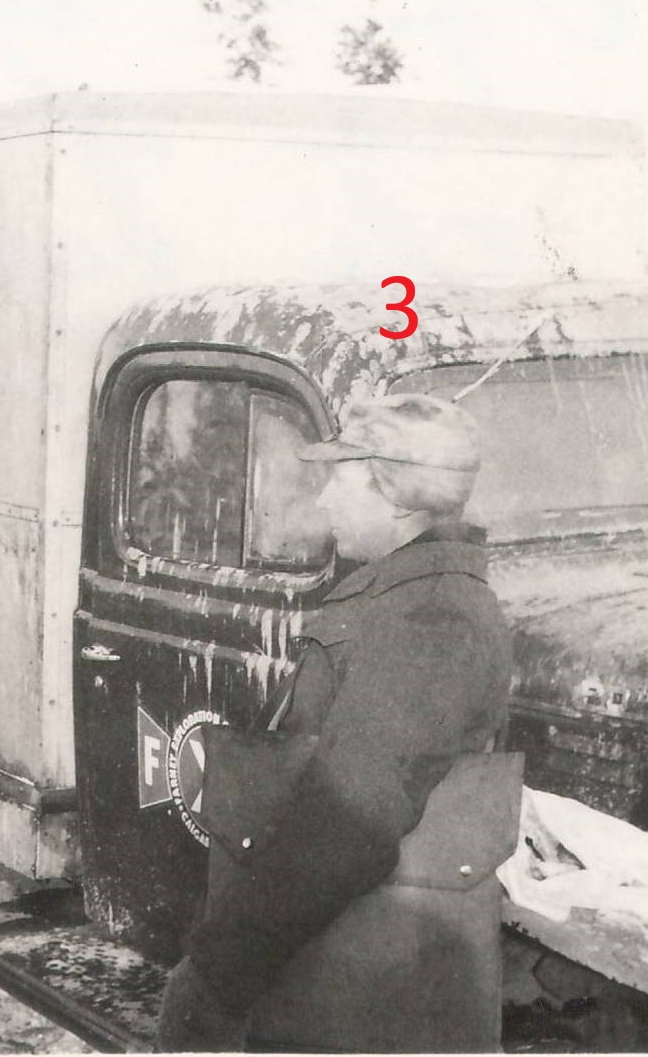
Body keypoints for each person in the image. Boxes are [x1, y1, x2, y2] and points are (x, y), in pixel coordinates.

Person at [155, 392, 513, 1051]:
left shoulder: (430, 621)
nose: (321, 503)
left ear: (395, 494)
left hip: (362, 993)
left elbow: (350, 818)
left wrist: (216, 971)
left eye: (337, 479)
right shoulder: (406, 596)